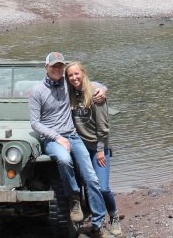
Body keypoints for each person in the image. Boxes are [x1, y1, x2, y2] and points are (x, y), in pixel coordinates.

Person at [29, 52, 109, 237]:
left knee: (91, 177)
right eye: (53, 66)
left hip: (73, 136)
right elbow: (35, 123)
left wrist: (103, 89)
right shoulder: (37, 91)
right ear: (46, 68)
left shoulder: (67, 84)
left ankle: (98, 223)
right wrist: (57, 138)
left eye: (60, 66)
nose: (57, 69)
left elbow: (91, 83)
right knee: (64, 159)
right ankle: (73, 197)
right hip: (51, 139)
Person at [66, 61, 123, 237]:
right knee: (87, 185)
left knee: (103, 187)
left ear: (83, 73)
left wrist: (99, 150)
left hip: (98, 147)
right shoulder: (68, 94)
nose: (74, 77)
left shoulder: (96, 93)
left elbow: (104, 126)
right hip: (79, 148)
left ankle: (113, 215)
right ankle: (94, 221)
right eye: (70, 75)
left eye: (77, 73)